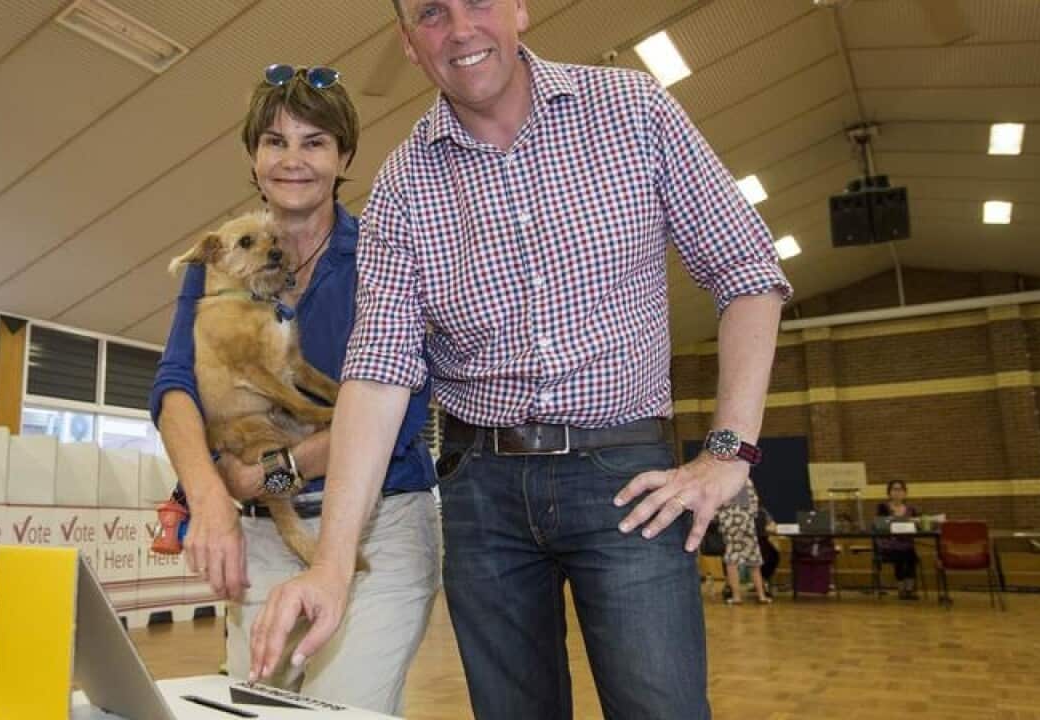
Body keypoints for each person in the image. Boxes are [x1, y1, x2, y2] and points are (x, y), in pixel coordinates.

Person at [249, 2, 792, 718]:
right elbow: (378, 374)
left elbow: (746, 268)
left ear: (519, 10)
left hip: (629, 480)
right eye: (432, 14)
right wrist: (330, 566)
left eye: (479, 2)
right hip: (483, 493)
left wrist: (728, 450)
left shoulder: (630, 110)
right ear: (410, 43)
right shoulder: (404, 188)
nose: (460, 28)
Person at [149, 64, 439, 715]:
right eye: (275, 142)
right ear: (253, 159)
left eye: (315, 142)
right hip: (266, 539)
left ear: (343, 159)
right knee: (260, 708)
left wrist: (273, 474)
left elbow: (400, 408)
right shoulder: (221, 259)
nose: (293, 160)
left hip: (378, 528)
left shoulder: (381, 256)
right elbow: (175, 384)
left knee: (343, 708)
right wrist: (209, 495)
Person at [717, 481, 771, 605]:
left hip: (731, 523)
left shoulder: (723, 479)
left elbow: (718, 503)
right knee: (754, 559)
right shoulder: (746, 480)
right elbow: (754, 502)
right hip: (747, 523)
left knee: (732, 561)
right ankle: (761, 596)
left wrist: (719, 517)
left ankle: (736, 597)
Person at [876, 480, 921, 599]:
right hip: (889, 543)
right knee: (900, 553)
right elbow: (880, 526)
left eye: (900, 489)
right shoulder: (883, 508)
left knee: (910, 553)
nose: (897, 492)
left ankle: (909, 589)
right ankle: (901, 589)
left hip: (906, 543)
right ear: (889, 493)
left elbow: (918, 526)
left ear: (905, 493)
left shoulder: (911, 509)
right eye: (894, 489)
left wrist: (916, 523)